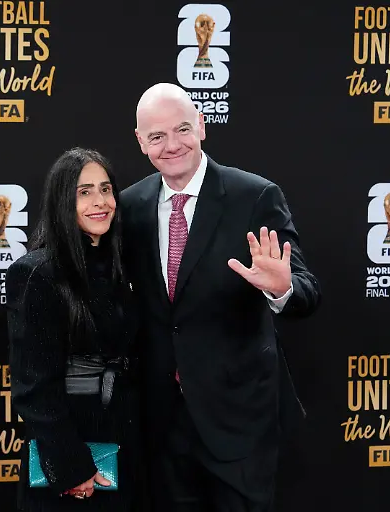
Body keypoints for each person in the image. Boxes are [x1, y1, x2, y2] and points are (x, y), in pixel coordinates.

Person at [120, 83, 321, 511]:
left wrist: (281, 288)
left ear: (203, 127)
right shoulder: (130, 206)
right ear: (140, 142)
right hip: (161, 424)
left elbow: (307, 292)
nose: (172, 145)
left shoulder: (255, 196)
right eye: (157, 136)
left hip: (239, 420)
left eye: (183, 129)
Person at [6, 148, 143, 511]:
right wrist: (70, 466)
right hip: (75, 450)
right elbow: (33, 387)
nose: (100, 202)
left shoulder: (123, 269)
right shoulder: (36, 273)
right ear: (63, 201)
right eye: (84, 192)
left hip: (128, 440)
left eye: (106, 189)